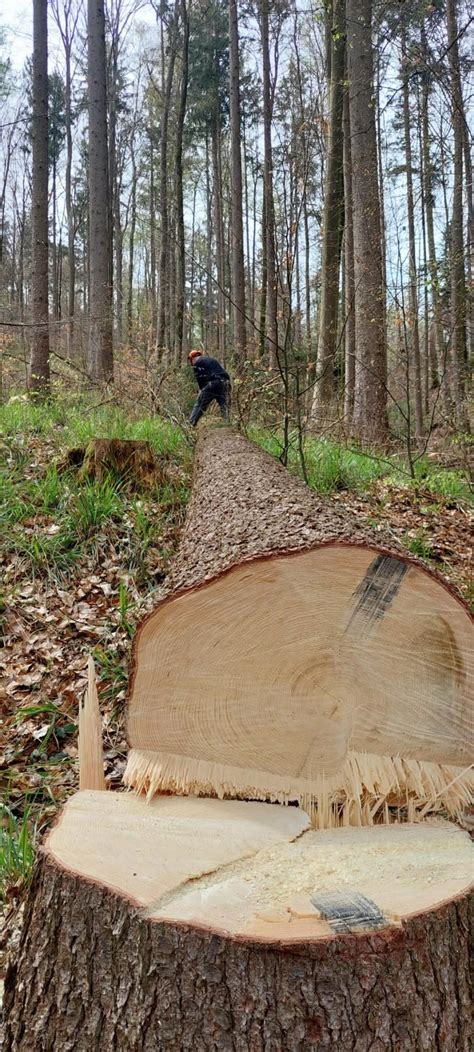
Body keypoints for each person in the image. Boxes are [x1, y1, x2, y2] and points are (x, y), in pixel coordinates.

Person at [188, 349, 231, 426]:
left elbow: (200, 379)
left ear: (192, 358)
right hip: (225, 383)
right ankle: (227, 423)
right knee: (225, 405)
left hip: (212, 384)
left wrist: (202, 390)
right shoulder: (211, 360)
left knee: (199, 405)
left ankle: (191, 425)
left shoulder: (197, 363)